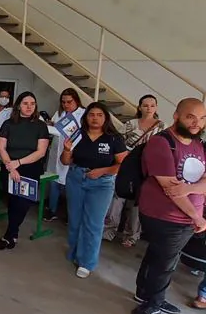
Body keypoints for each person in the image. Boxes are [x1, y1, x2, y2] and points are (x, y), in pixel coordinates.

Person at [131, 98, 206, 314]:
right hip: (165, 215)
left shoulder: (199, 145)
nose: (196, 123)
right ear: (176, 115)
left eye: (202, 119)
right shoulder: (161, 143)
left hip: (187, 216)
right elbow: (170, 189)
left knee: (157, 255)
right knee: (165, 262)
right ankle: (153, 303)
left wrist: (191, 188)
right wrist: (197, 217)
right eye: (190, 117)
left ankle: (143, 294)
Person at [60, 102, 127, 278]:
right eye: (91, 115)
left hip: (101, 184)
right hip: (76, 178)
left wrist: (102, 171)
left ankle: (87, 262)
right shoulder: (77, 135)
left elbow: (122, 164)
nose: (95, 118)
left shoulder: (114, 138)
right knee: (74, 219)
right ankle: (74, 252)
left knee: (93, 223)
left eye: (99, 115)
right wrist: (67, 149)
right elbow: (66, 161)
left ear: (105, 118)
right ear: (86, 117)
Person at [103, 94, 165, 246]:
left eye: (152, 105)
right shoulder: (131, 124)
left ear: (156, 107)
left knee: (138, 201)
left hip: (145, 167)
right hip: (127, 164)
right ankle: (108, 230)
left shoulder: (161, 126)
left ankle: (131, 235)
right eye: (145, 105)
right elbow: (117, 140)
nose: (149, 108)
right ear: (139, 107)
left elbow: (160, 148)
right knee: (118, 197)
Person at [0, 91, 50, 250]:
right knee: (13, 200)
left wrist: (18, 163)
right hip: (9, 166)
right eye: (25, 103)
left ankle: (10, 233)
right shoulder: (8, 124)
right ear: (19, 105)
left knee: (24, 202)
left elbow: (41, 152)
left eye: (32, 104)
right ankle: (12, 234)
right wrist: (10, 165)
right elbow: (1, 147)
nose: (29, 107)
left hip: (30, 167)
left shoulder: (40, 126)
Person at [44, 88, 86, 222]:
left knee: (71, 186)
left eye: (69, 102)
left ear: (76, 101)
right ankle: (52, 210)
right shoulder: (60, 112)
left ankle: (71, 214)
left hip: (72, 153)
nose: (66, 105)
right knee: (54, 182)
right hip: (56, 150)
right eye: (63, 102)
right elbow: (55, 125)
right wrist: (50, 124)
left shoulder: (83, 114)